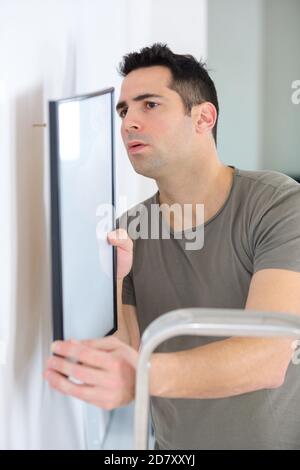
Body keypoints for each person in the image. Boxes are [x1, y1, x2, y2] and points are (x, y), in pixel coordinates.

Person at [44, 43, 300, 450]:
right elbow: (127, 352)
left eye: (149, 105)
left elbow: (268, 356)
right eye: (124, 110)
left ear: (203, 117)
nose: (129, 123)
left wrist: (143, 376)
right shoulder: (130, 230)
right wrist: (116, 277)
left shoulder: (279, 205)